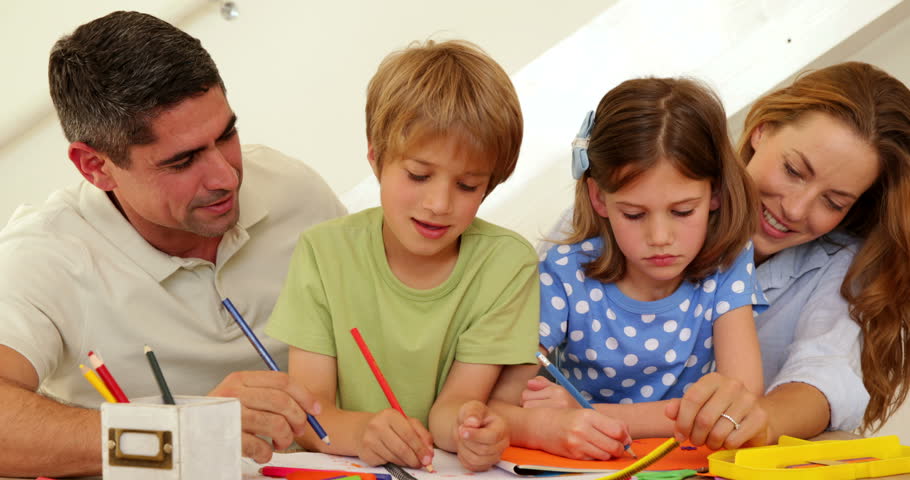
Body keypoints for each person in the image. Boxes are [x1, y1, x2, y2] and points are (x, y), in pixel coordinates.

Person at [0, 11, 346, 477]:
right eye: (182, 161)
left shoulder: (293, 190)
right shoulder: (44, 256)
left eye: (226, 135)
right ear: (94, 167)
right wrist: (177, 430)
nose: (226, 177)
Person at [524, 62, 910, 453]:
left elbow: (823, 378)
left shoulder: (835, 263)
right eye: (793, 170)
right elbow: (515, 364)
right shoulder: (591, 236)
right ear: (762, 129)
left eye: (833, 201)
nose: (795, 209)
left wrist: (754, 419)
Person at [266, 40, 539, 472]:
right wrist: (364, 432)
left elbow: (451, 409)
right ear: (376, 157)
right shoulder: (323, 253)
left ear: (490, 184)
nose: (438, 203)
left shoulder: (507, 264)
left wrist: (474, 429)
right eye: (418, 175)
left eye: (467, 185)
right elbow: (309, 417)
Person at [491, 77, 767, 459]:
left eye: (682, 211)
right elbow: (497, 403)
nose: (659, 237)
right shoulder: (565, 272)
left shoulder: (728, 264)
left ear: (715, 193)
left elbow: (741, 403)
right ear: (599, 199)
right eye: (634, 214)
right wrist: (547, 424)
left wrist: (589, 413)